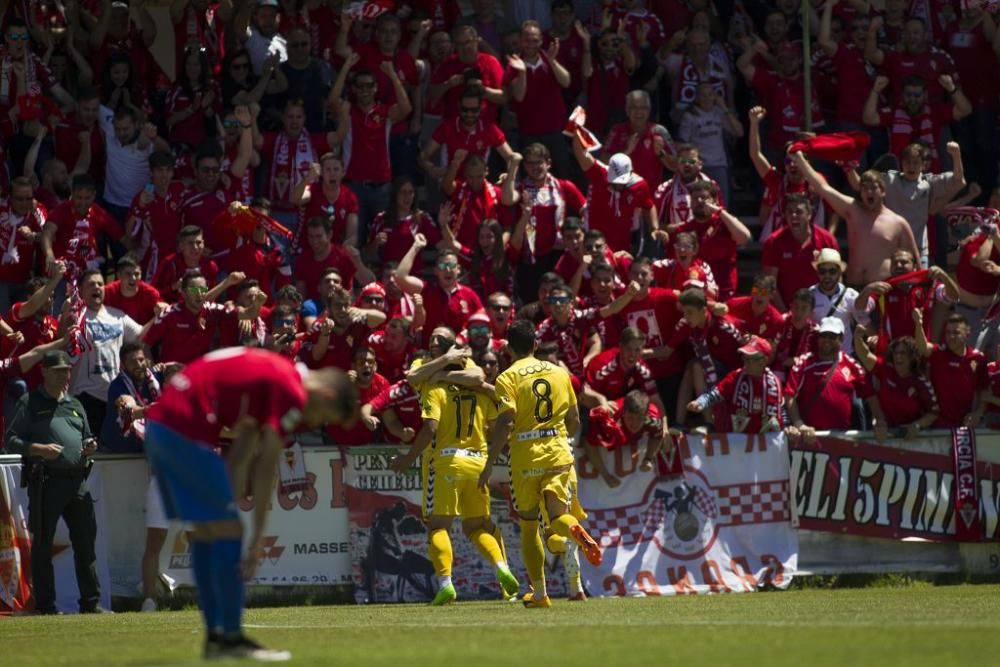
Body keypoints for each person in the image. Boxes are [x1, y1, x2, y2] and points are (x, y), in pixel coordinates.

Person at [143, 348, 356, 659]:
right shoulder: (292, 390)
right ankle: (230, 637)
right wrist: (257, 540)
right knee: (230, 532)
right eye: (323, 416)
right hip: (185, 430)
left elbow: (244, 451)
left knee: (205, 532)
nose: (313, 422)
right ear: (325, 394)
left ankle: (216, 637)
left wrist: (227, 496)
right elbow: (268, 462)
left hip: (162, 427)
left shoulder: (275, 376)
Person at [479, 319, 601, 608]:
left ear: (508, 348)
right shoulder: (561, 374)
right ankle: (577, 532)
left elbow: (506, 422)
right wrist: (558, 434)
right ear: (536, 344)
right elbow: (574, 420)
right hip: (559, 452)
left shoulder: (507, 378)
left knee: (530, 526)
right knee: (559, 517)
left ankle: (540, 593)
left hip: (526, 456)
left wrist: (489, 463)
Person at [388, 357, 519, 605]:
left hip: (447, 463)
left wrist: (408, 459)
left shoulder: (435, 389)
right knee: (478, 527)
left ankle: (446, 585)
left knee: (438, 526)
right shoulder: (479, 394)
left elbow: (430, 429)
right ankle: (501, 567)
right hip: (477, 463)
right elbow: (495, 429)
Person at [5, 347, 109, 615]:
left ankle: (91, 602)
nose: (64, 376)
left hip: (77, 482)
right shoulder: (30, 402)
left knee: (86, 543)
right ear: (45, 372)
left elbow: (87, 435)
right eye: (58, 371)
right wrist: (39, 449)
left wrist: (89, 445)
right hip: (46, 482)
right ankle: (46, 605)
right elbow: (11, 439)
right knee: (42, 545)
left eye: (67, 371)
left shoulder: (74, 403)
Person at [792, 151, 920, 287]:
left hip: (883, 289)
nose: (869, 192)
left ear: (883, 191)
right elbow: (823, 188)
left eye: (873, 188)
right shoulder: (852, 210)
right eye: (864, 189)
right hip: (853, 288)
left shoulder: (898, 223)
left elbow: (915, 261)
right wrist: (799, 159)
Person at [785, 316, 879, 439]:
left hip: (842, 439)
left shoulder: (851, 364)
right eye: (823, 335)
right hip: (809, 438)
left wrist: (880, 421)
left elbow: (870, 394)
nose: (826, 340)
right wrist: (799, 424)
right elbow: (789, 394)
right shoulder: (804, 362)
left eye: (832, 336)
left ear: (841, 339)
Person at [688, 336, 784, 434]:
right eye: (745, 358)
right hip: (733, 438)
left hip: (761, 442)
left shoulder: (774, 383)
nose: (746, 363)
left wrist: (789, 429)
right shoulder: (736, 376)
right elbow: (716, 393)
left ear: (763, 361)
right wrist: (701, 402)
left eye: (750, 359)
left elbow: (780, 413)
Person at [853, 333, 939, 438]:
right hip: (886, 437)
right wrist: (858, 336)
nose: (898, 357)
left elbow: (933, 413)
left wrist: (917, 425)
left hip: (913, 440)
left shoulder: (921, 383)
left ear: (912, 357)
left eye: (903, 353)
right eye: (896, 353)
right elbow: (865, 356)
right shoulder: (885, 370)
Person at [913, 309, 987, 429]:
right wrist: (918, 324)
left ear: (967, 334)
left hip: (965, 426)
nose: (951, 337)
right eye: (947, 332)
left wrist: (978, 413)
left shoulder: (978, 358)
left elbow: (984, 390)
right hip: (936, 425)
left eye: (956, 332)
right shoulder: (939, 353)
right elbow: (923, 348)